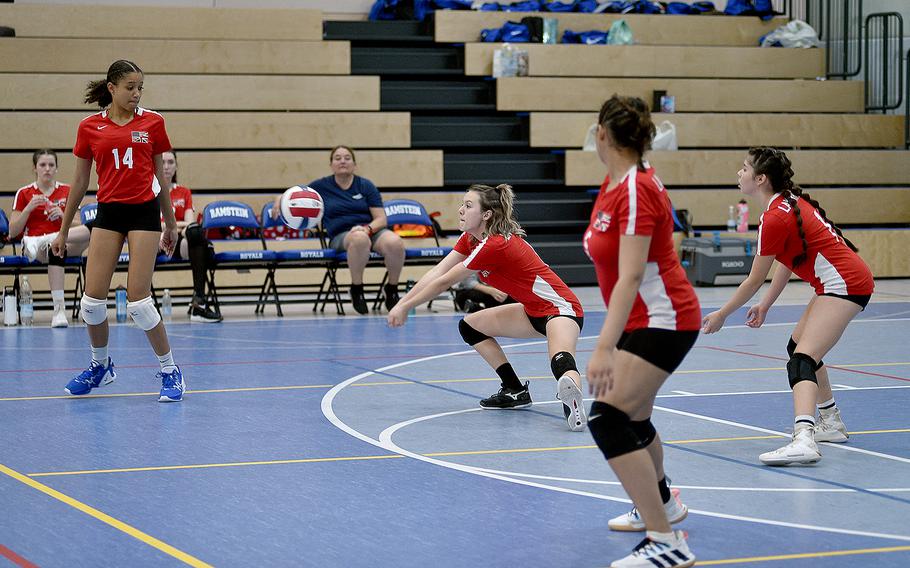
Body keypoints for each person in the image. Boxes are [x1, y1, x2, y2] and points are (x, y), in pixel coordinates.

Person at [584, 95, 699, 568]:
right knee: (632, 418)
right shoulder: (614, 184)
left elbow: (631, 275)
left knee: (606, 417)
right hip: (642, 317)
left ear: (603, 135)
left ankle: (666, 540)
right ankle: (663, 503)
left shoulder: (634, 189)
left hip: (663, 316)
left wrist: (603, 347)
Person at [702, 146, 873, 466]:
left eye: (744, 168)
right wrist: (766, 305)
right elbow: (788, 260)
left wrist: (722, 314)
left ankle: (804, 439)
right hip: (841, 282)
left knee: (802, 360)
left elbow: (752, 280)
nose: (739, 173)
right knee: (798, 347)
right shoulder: (786, 205)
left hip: (845, 284)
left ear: (761, 178)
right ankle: (831, 424)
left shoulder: (774, 216)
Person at [387, 183, 587, 432]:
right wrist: (402, 303)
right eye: (462, 204)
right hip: (530, 311)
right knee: (471, 327)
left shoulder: (495, 244)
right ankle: (514, 390)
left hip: (561, 309)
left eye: (468, 206)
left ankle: (572, 401)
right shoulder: (470, 239)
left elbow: (446, 281)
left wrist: (405, 307)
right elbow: (438, 271)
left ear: (486, 215)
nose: (461, 210)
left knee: (561, 360)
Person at [51, 59, 186, 403]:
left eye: (140, 88)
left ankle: (170, 371)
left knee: (139, 302)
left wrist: (170, 223)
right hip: (109, 212)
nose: (136, 94)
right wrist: (63, 231)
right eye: (130, 88)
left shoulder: (153, 122)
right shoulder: (89, 127)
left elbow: (162, 179)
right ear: (112, 88)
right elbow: (80, 182)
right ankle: (101, 367)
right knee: (91, 303)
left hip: (144, 211)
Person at [274, 145, 405, 314]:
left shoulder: (365, 186)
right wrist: (279, 199)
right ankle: (357, 289)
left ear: (354, 164)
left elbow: (381, 219)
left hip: (370, 230)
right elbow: (294, 194)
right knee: (359, 239)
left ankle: (392, 288)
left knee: (395, 242)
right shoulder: (321, 186)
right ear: (331, 165)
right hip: (341, 236)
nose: (342, 161)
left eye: (347, 158)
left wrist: (367, 229)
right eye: (337, 158)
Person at [9, 149, 91, 327]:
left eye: (51, 165)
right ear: (35, 168)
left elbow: (80, 224)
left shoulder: (67, 190)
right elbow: (13, 231)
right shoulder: (24, 193)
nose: (47, 169)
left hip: (65, 241)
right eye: (42, 165)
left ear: (57, 168)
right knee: (54, 249)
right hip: (36, 247)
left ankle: (52, 239)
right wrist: (28, 209)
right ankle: (59, 310)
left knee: (92, 229)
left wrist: (63, 216)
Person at [159, 150, 221, 322]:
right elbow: (156, 226)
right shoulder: (151, 190)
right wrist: (173, 226)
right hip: (158, 243)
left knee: (194, 233)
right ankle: (199, 303)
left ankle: (198, 302)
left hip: (180, 243)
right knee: (202, 245)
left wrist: (172, 226)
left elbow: (190, 223)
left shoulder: (184, 192)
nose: (166, 166)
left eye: (171, 162)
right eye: (163, 162)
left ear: (176, 166)